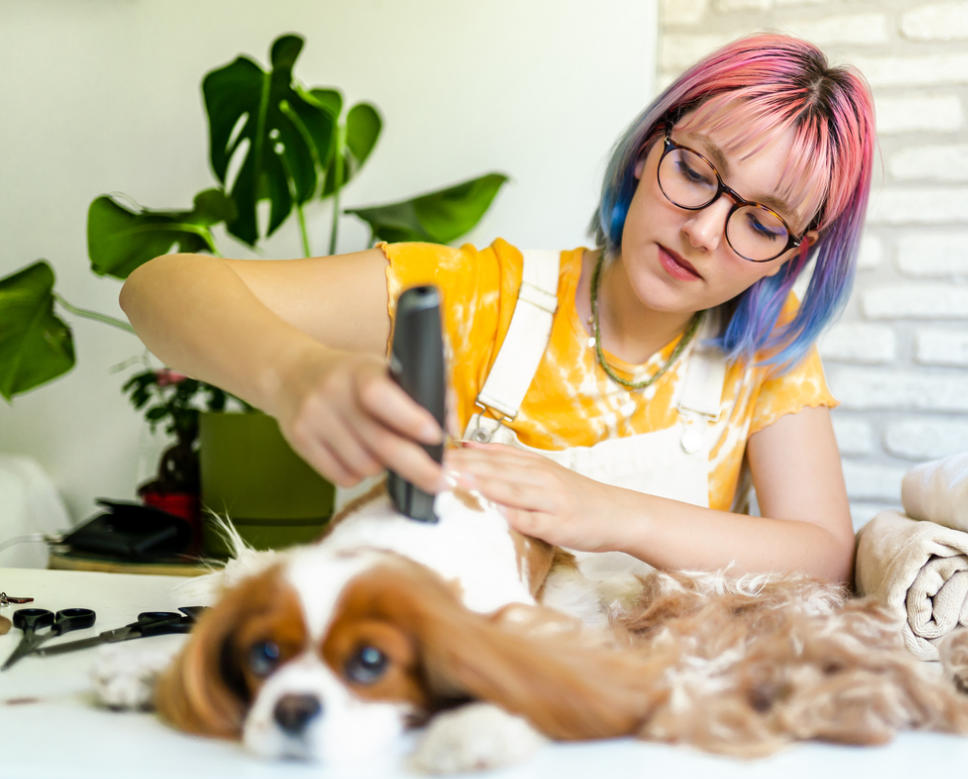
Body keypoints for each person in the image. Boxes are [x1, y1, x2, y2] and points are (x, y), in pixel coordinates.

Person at [120, 33, 874, 584]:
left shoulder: (765, 348)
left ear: (794, 253)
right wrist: (295, 374)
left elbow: (822, 551)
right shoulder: (487, 297)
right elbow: (157, 286)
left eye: (763, 222)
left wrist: (615, 514)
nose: (704, 231)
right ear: (650, 149)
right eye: (696, 170)